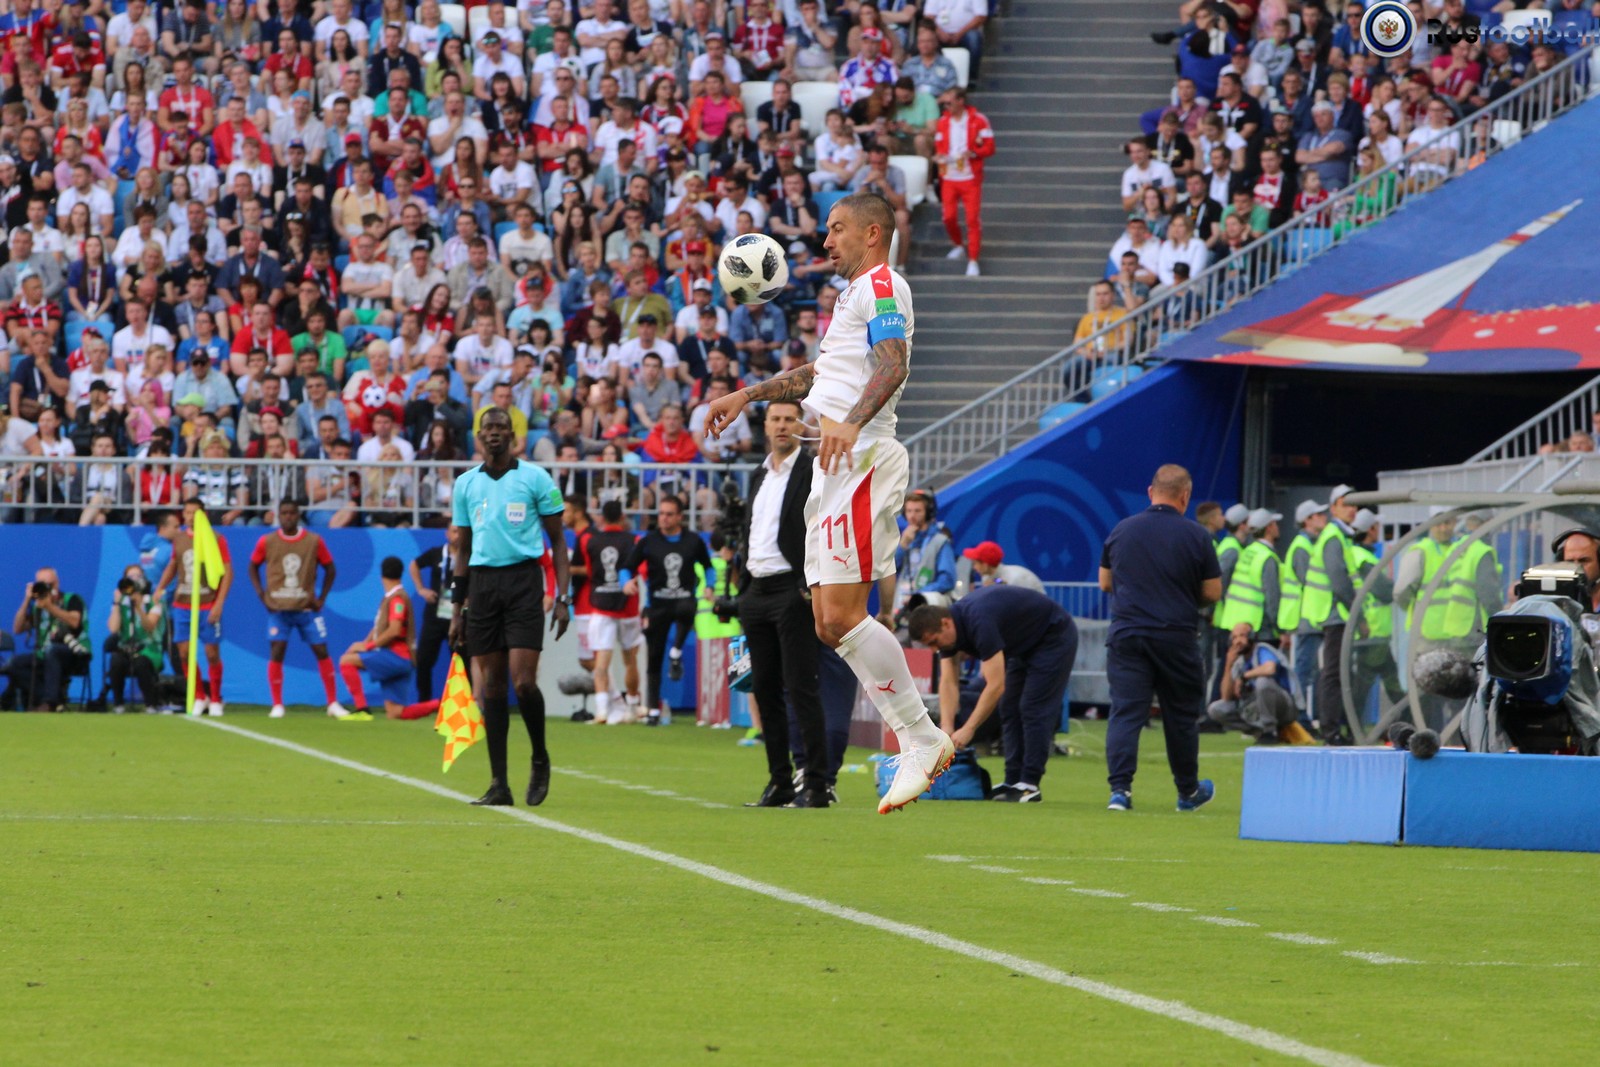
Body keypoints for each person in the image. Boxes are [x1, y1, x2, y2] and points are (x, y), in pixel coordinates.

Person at [705, 191, 956, 815]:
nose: (825, 241)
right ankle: (918, 737)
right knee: (827, 621)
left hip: (862, 456)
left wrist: (852, 421)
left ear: (872, 233)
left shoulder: (883, 284)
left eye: (837, 229)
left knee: (841, 615)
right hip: (836, 462)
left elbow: (893, 364)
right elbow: (819, 375)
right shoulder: (851, 297)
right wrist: (747, 394)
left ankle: (921, 737)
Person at [448, 407, 571, 806]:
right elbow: (463, 550)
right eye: (489, 428)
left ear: (514, 435)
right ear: (479, 436)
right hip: (482, 586)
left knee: (523, 682)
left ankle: (539, 756)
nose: (495, 433)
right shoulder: (466, 484)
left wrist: (563, 597)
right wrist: (456, 610)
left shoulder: (535, 478)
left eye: (502, 427)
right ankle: (499, 784)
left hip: (523, 582)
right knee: (493, 686)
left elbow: (558, 542)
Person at [1098, 464, 1221, 812]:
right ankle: (1187, 792)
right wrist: (1182, 596)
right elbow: (1213, 591)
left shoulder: (1122, 529)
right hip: (1175, 635)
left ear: (1151, 492)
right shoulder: (1197, 535)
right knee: (1180, 717)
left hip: (1127, 633)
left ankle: (1120, 791)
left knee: (1126, 713)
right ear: (1185, 496)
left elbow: (1105, 583)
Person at [736, 398, 830, 806]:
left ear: (800, 426)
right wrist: (742, 589)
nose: (781, 426)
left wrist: (807, 585)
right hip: (755, 590)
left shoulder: (812, 471)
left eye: (789, 419)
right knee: (764, 688)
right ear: (765, 425)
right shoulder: (759, 475)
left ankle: (817, 783)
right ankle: (779, 780)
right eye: (775, 418)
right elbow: (751, 530)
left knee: (801, 687)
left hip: (791, 589)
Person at [909, 585, 1079, 802]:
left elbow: (996, 686)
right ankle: (1013, 780)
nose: (935, 650)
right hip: (1023, 645)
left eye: (934, 642)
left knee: (1032, 707)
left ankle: (1029, 783)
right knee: (1009, 707)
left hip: (1053, 636)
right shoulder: (949, 632)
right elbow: (948, 681)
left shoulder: (979, 622)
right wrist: (947, 727)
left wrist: (969, 728)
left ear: (946, 623)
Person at [249, 499, 347, 720]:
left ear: (298, 514)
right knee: (277, 651)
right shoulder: (267, 541)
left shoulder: (313, 541)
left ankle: (332, 702)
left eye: (292, 513)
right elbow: (252, 566)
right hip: (279, 608)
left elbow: (330, 569)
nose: (288, 517)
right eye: (284, 513)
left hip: (306, 609)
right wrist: (261, 595)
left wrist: (321, 598)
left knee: (321, 650)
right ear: (278, 515)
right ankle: (277, 704)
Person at [623, 494, 711, 725]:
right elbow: (628, 567)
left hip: (683, 601)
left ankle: (676, 652)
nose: (664, 518)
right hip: (657, 605)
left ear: (680, 517)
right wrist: (626, 582)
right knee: (653, 657)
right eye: (661, 513)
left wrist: (709, 586)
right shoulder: (648, 541)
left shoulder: (693, 541)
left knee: (687, 607)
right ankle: (653, 709)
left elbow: (708, 567)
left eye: (669, 514)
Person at [154, 501, 234, 716]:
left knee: (211, 653)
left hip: (207, 603)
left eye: (194, 513)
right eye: (187, 512)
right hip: (183, 603)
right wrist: (160, 587)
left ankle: (215, 698)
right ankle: (199, 696)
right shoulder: (179, 538)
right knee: (184, 653)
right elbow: (173, 565)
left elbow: (227, 572)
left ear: (203, 515)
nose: (190, 516)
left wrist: (219, 603)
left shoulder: (216, 538)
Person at [338, 555, 440, 721]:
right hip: (403, 659)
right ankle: (441, 705)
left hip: (396, 657)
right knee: (395, 713)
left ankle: (362, 709)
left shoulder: (397, 599)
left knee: (346, 661)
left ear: (381, 575)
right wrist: (364, 643)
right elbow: (380, 626)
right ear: (401, 574)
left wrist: (368, 646)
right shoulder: (392, 597)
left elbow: (394, 630)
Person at [1303, 483, 1359, 744]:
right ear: (1333, 508)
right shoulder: (1335, 537)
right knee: (1334, 674)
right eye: (1345, 504)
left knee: (1336, 673)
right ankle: (1331, 731)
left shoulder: (1337, 535)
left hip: (1334, 613)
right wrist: (1357, 611)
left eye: (1354, 504)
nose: (1352, 509)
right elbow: (1339, 581)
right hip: (1336, 614)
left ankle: (1335, 729)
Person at [581, 499, 645, 724]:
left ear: (601, 517)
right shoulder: (634, 540)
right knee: (630, 660)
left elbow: (590, 572)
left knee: (601, 662)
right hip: (628, 607)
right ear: (622, 517)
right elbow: (641, 571)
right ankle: (633, 707)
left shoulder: (590, 541)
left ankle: (602, 711)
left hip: (601, 605)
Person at [7, 567, 89, 712]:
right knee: (16, 664)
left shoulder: (71, 599)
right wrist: (27, 600)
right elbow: (18, 628)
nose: (46, 588)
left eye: (49, 584)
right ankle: (53, 699)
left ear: (57, 583)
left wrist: (50, 606)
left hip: (74, 653)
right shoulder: (38, 607)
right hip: (44, 655)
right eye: (41, 584)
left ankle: (50, 702)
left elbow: (74, 622)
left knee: (53, 650)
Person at [933, 87, 994, 277]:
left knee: (972, 219)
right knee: (948, 217)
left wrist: (974, 153)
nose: (947, 106)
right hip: (949, 177)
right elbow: (939, 145)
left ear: (961, 101)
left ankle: (973, 259)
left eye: (950, 102)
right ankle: (958, 244)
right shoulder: (943, 122)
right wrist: (939, 156)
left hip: (970, 178)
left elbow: (990, 147)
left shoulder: (978, 120)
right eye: (945, 103)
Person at [1208, 622, 1300, 743]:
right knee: (1216, 709)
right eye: (1234, 638)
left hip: (1284, 706)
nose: (1238, 641)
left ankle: (1269, 730)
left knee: (1263, 682)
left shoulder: (1262, 650)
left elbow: (1270, 669)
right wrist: (1228, 665)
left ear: (1252, 637)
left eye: (1242, 636)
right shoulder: (1239, 662)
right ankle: (1260, 731)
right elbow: (1226, 696)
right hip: (1255, 707)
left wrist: (1244, 676)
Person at [409, 525, 461, 703]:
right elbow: (414, 565)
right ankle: (424, 701)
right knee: (423, 660)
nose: (457, 535)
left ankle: (461, 702)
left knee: (461, 660)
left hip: (458, 616)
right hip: (435, 614)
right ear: (447, 533)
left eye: (460, 531)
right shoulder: (436, 553)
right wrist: (421, 589)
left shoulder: (469, 556)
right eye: (454, 531)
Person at [106, 570, 165, 714]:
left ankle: (150, 704)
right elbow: (113, 629)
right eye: (130, 577)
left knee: (141, 663)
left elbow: (149, 626)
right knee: (116, 660)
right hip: (126, 648)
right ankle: (118, 704)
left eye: (137, 576)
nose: (134, 580)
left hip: (149, 649)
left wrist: (138, 607)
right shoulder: (121, 603)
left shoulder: (153, 601)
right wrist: (116, 604)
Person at [894, 488, 955, 612]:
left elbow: (947, 580)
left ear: (928, 513)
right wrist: (902, 545)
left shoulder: (940, 541)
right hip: (902, 607)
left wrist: (917, 596)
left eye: (917, 511)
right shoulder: (904, 539)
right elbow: (891, 570)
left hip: (928, 608)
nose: (912, 516)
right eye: (909, 511)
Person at [962, 540, 1044, 593]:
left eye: (975, 563)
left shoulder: (1016, 579)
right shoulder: (987, 578)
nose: (974, 568)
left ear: (985, 565)